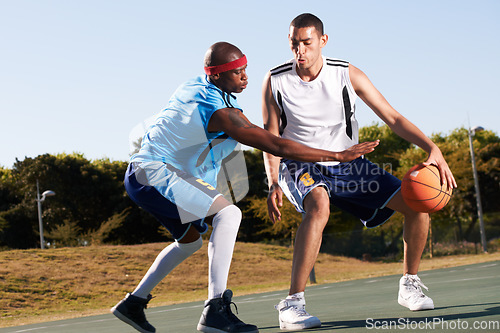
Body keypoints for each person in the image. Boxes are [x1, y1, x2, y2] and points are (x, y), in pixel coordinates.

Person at [110, 41, 379, 333]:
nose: (244, 77)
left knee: (190, 241)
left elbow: (253, 132)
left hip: (143, 174)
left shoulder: (202, 87)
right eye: (236, 72)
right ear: (215, 76)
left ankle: (133, 303)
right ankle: (215, 310)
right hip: (154, 174)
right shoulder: (218, 111)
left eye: (245, 69)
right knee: (229, 214)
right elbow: (274, 143)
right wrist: (337, 155)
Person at [262, 13, 457, 331]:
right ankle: (292, 304)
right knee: (318, 205)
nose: (300, 50)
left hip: (349, 163)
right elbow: (270, 136)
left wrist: (431, 148)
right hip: (301, 164)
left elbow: (392, 117)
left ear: (323, 41)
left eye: (307, 43)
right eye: (294, 43)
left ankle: (409, 283)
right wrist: (272, 182)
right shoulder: (275, 79)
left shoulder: (346, 73)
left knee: (417, 203)